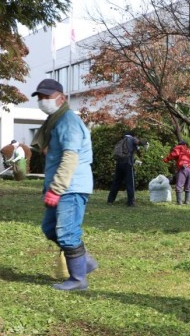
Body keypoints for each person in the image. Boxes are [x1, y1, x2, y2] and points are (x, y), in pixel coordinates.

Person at [30, 78, 98, 291]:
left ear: (62, 98)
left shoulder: (68, 121)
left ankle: (78, 280)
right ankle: (84, 262)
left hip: (71, 186)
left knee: (67, 232)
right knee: (50, 228)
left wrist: (57, 188)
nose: (43, 101)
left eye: (47, 97)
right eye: (40, 98)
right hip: (60, 186)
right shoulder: (55, 121)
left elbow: (70, 157)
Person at [107, 131, 148, 207]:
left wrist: (135, 161)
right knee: (130, 183)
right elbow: (139, 142)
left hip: (119, 163)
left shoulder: (122, 140)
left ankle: (110, 200)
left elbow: (124, 153)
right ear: (133, 135)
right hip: (128, 164)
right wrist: (146, 143)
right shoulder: (132, 139)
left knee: (116, 182)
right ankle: (130, 202)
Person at [163, 141, 190, 205]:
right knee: (188, 186)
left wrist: (166, 159)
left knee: (179, 185)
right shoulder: (189, 150)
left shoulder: (179, 147)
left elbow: (173, 154)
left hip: (183, 168)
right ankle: (187, 202)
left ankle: (179, 202)